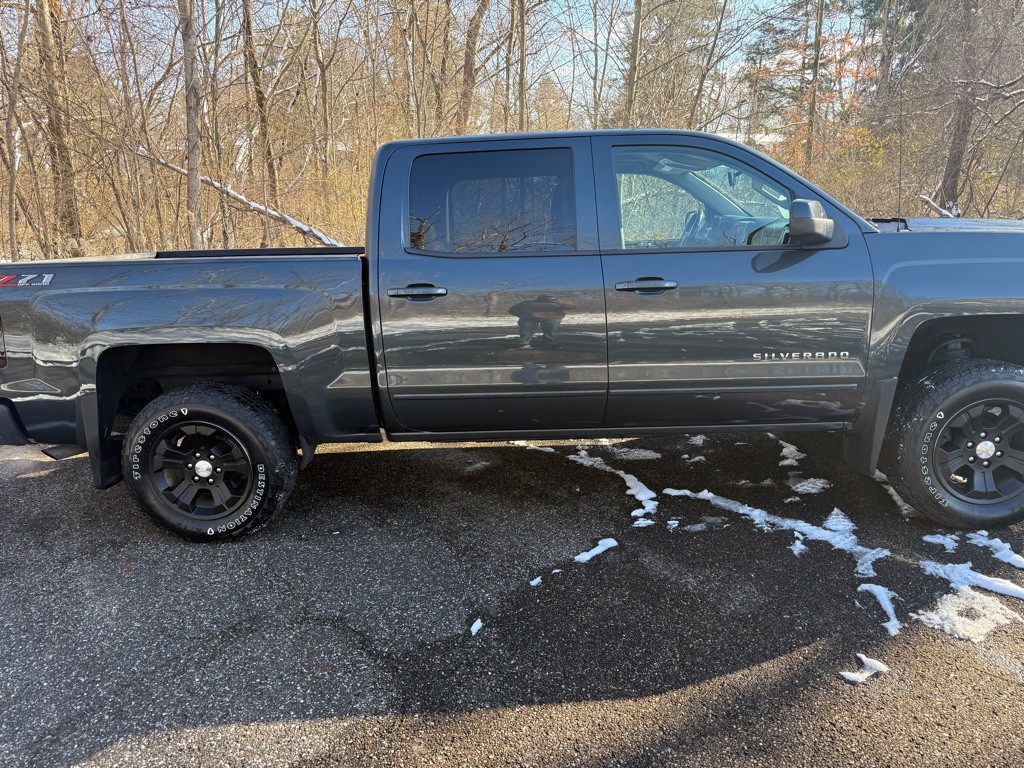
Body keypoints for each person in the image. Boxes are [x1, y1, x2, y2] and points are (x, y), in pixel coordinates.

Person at [508, 294, 577, 347]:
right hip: (552, 318)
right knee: (550, 331)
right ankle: (551, 344)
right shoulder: (558, 304)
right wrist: (560, 302)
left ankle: (523, 343)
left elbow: (511, 310)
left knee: (527, 331)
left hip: (529, 318)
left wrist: (521, 315)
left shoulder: (527, 303)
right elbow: (573, 306)